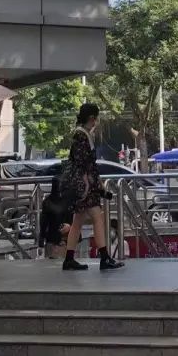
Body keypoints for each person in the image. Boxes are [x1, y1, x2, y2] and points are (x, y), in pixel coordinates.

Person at [62, 103, 124, 272]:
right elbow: (86, 163)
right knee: (97, 218)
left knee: (77, 221)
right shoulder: (82, 136)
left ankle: (69, 259)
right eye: (96, 117)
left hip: (83, 186)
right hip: (86, 187)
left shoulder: (80, 134)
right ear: (91, 118)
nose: (97, 121)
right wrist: (95, 185)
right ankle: (104, 257)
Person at [40, 178, 73, 259]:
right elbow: (43, 223)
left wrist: (42, 237)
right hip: (58, 239)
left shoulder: (48, 202)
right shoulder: (67, 201)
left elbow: (43, 223)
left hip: (58, 238)